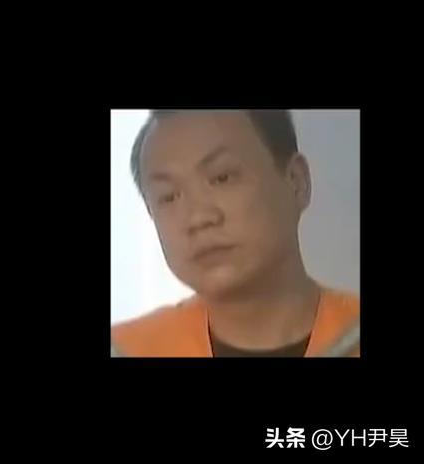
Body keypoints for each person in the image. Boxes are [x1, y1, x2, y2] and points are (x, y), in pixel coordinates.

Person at [111, 110, 359, 357]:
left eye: (222, 178)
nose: (198, 218)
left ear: (296, 181)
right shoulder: (127, 349)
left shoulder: (351, 332)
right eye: (168, 196)